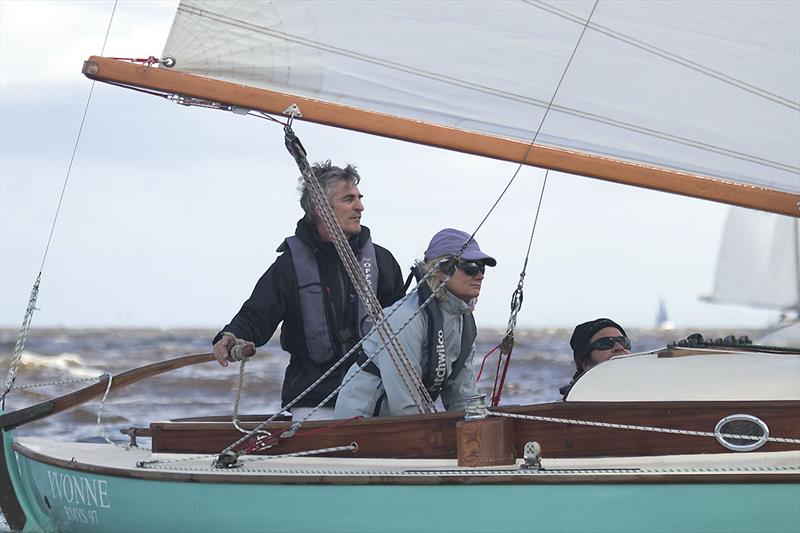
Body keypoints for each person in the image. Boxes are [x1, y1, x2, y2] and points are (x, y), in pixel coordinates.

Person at [212, 161, 405, 417]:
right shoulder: (290, 266)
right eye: (349, 199)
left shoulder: (382, 262)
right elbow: (257, 315)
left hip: (377, 398)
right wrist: (231, 336)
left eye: (359, 198)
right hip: (315, 401)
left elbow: (406, 324)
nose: (360, 206)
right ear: (320, 209)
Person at [335, 228, 496, 418]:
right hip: (363, 421)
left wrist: (476, 426)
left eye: (482, 268)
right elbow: (405, 405)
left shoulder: (463, 322)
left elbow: (461, 396)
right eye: (471, 267)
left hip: (406, 419)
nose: (480, 275)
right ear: (442, 270)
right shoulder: (405, 317)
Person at [559, 318, 632, 398]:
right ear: (586, 364)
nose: (620, 347)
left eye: (623, 341)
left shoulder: (645, 387)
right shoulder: (574, 402)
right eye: (605, 343)